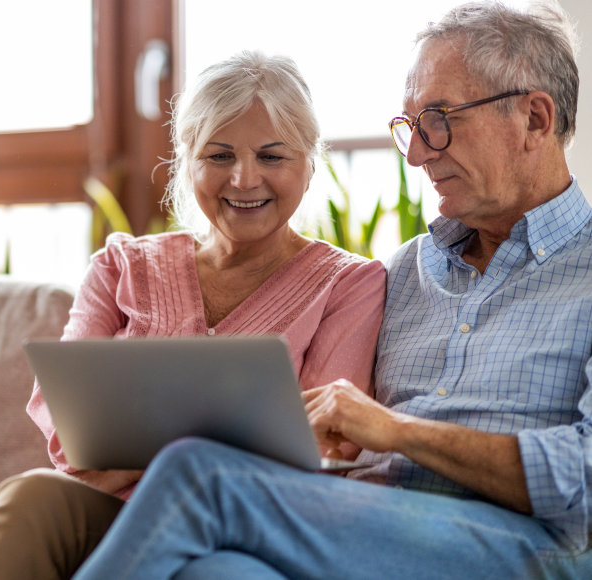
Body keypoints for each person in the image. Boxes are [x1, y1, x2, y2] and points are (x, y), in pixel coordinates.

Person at [70, 2, 592, 579]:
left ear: (535, 120)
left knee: (201, 472)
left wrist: (395, 431)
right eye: (411, 127)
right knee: (215, 573)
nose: (417, 154)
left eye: (439, 119)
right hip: (364, 526)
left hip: (524, 543)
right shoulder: (405, 272)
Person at [0, 50, 386, 580]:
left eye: (272, 157)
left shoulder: (349, 284)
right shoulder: (121, 265)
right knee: (33, 493)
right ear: (187, 160)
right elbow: (71, 433)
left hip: (237, 530)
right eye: (218, 156)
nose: (243, 178)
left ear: (309, 162)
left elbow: (322, 445)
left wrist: (138, 461)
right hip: (109, 514)